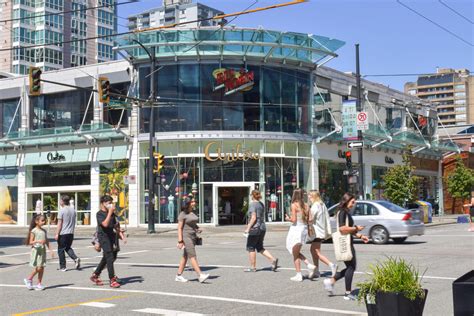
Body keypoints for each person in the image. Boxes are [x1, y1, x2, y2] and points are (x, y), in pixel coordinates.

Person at [323, 193, 369, 300]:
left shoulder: (346, 213)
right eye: (353, 202)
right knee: (351, 267)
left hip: (348, 242)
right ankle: (347, 293)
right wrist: (356, 229)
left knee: (350, 267)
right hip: (346, 243)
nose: (354, 204)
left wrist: (360, 235)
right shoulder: (342, 212)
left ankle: (331, 281)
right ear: (347, 201)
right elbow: (342, 229)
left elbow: (349, 229)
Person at [90, 195, 127, 288]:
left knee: (108, 257)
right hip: (103, 237)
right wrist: (110, 212)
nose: (111, 205)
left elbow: (115, 225)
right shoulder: (99, 214)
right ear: (103, 203)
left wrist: (121, 234)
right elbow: (105, 224)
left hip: (112, 237)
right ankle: (112, 279)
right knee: (109, 257)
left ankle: (95, 275)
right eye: (109, 203)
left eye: (111, 203)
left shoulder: (112, 213)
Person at [285, 188, 317, 282]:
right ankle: (308, 265)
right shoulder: (307, 206)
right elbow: (310, 219)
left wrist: (288, 218)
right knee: (295, 251)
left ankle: (299, 274)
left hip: (296, 229)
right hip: (304, 229)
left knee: (294, 252)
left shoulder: (294, 205)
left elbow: (294, 220)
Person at [243, 190, 279, 272]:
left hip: (255, 228)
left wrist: (248, 228)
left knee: (251, 247)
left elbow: (253, 218)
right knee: (259, 247)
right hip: (262, 227)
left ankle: (253, 267)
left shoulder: (253, 205)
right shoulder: (261, 204)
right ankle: (273, 259)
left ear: (252, 196)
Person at [175, 198, 209, 283]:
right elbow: (179, 228)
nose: (194, 203)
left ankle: (178, 275)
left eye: (194, 201)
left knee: (185, 256)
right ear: (188, 203)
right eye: (192, 202)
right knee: (192, 255)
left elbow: (193, 223)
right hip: (186, 237)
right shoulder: (182, 214)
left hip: (193, 236)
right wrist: (180, 241)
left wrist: (197, 228)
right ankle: (200, 275)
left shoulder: (192, 212)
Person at [308, 190, 337, 279]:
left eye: (309, 196)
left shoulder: (315, 205)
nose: (308, 197)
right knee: (314, 250)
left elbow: (311, 218)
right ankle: (316, 270)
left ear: (313, 196)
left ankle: (331, 265)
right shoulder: (322, 204)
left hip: (317, 232)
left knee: (316, 252)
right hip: (321, 231)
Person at [23, 214, 54, 291]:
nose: (44, 222)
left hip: (42, 251)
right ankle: (29, 279)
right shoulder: (34, 231)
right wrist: (37, 241)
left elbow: (47, 241)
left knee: (42, 267)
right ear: (36, 221)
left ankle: (39, 284)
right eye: (42, 220)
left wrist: (51, 250)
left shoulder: (44, 231)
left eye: (44, 221)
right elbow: (30, 242)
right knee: (39, 267)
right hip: (36, 251)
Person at [55, 195, 80, 271]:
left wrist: (57, 234)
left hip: (63, 233)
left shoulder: (61, 211)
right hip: (71, 233)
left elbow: (60, 224)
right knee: (67, 247)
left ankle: (63, 266)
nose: (59, 202)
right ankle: (75, 258)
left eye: (60, 200)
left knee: (60, 250)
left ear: (62, 201)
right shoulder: (73, 210)